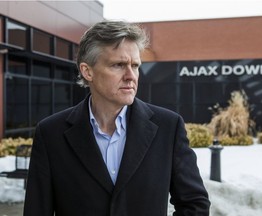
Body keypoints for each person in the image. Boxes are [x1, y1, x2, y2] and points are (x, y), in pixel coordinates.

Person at [24, 20, 210, 216]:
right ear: (87, 71)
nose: (131, 76)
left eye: (135, 65)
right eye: (119, 65)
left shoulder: (168, 127)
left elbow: (195, 205)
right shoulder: (51, 133)